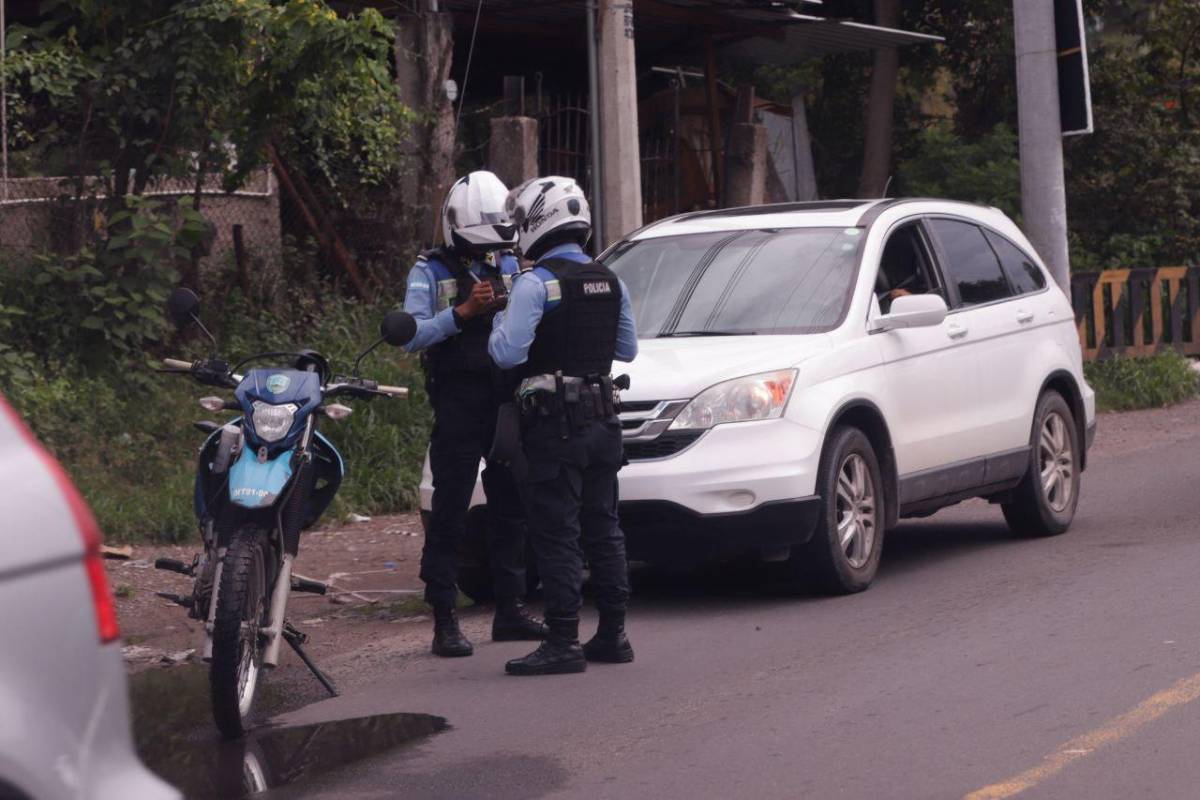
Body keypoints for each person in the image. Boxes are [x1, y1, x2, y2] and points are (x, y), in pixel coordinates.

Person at [488, 176, 639, 676]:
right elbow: (627, 350)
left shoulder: (536, 283)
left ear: (536, 222)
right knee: (605, 528)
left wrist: (496, 324)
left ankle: (562, 641)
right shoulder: (611, 279)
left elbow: (508, 353)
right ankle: (613, 634)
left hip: (555, 428)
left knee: (557, 533)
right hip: (604, 421)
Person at [402, 170, 547, 657]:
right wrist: (461, 313)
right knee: (450, 510)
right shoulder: (429, 270)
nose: (486, 257)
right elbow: (411, 336)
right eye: (475, 248)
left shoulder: (510, 261)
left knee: (512, 507)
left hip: (505, 399)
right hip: (458, 402)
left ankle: (511, 610)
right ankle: (444, 617)